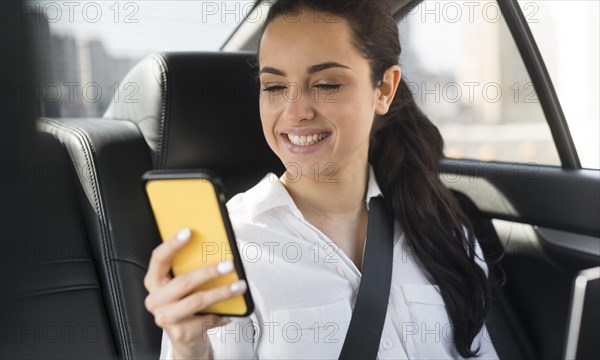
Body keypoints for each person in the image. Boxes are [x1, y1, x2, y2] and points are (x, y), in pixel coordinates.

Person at [144, 0, 500, 358]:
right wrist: (189, 347)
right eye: (274, 87)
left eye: (327, 84)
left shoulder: (444, 227)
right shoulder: (228, 245)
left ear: (384, 90)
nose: (295, 111)